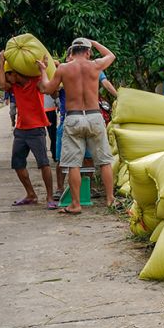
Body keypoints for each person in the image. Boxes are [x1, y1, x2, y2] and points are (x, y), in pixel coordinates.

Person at [38, 37, 116, 214]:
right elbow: (111, 55)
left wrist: (43, 70)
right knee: (104, 161)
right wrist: (95, 42)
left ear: (71, 53)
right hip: (94, 116)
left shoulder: (64, 68)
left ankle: (75, 204)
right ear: (88, 52)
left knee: (73, 164)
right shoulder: (96, 65)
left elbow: (47, 89)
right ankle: (110, 199)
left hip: (73, 118)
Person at [0, 53, 55, 208]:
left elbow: (45, 88)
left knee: (44, 163)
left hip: (36, 128)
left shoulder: (35, 82)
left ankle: (50, 197)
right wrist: (1, 62)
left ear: (14, 74)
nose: (7, 79)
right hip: (20, 130)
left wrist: (43, 70)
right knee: (18, 164)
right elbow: (2, 84)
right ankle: (31, 194)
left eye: (8, 75)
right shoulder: (14, 87)